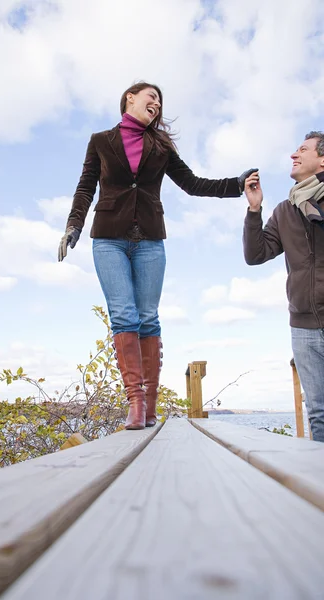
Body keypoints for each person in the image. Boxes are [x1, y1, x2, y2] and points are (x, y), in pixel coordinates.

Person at [58, 81, 255, 430]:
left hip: (150, 240)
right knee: (123, 315)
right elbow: (86, 186)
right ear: (129, 98)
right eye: (152, 97)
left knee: (147, 317)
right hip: (108, 239)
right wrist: (73, 225)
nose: (157, 104)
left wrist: (235, 185)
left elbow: (193, 184)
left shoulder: (160, 146)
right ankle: (135, 403)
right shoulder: (101, 141)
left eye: (160, 101)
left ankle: (150, 405)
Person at [243, 131, 324, 442]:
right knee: (318, 411)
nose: (294, 155)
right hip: (303, 326)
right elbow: (255, 254)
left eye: (303, 150)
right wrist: (254, 209)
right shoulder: (284, 210)